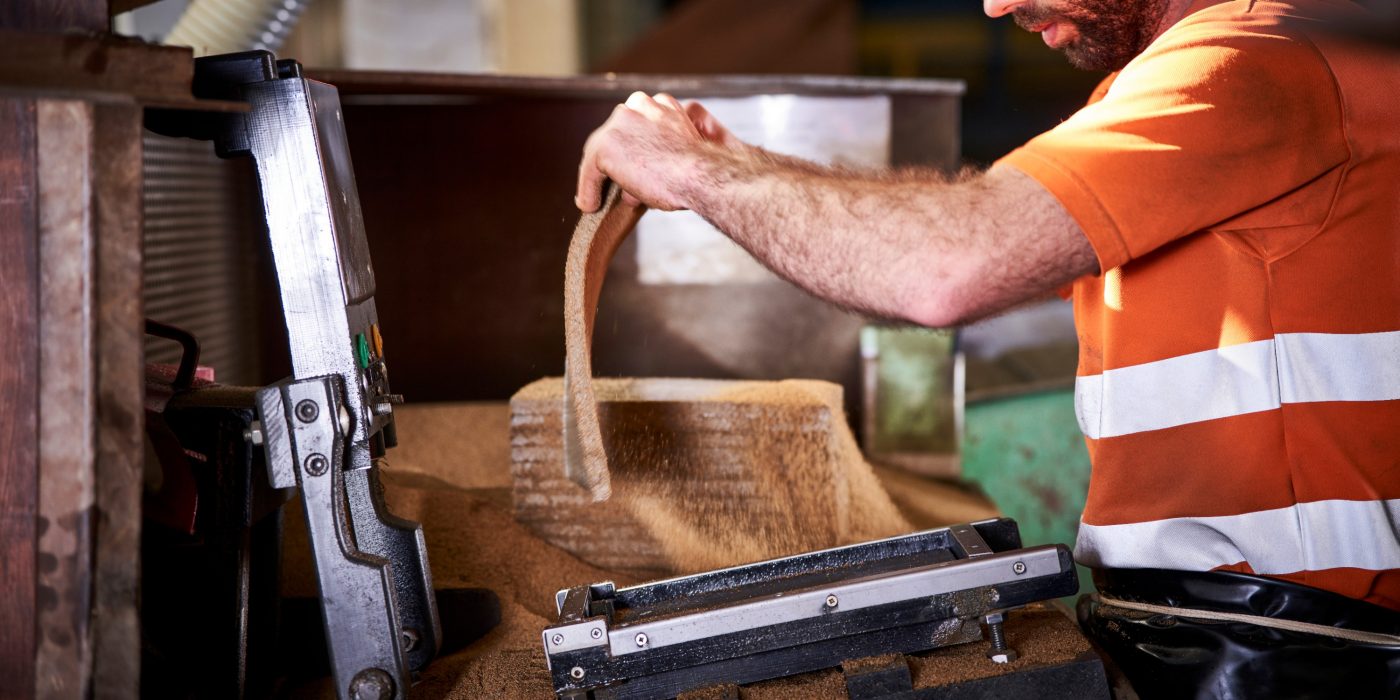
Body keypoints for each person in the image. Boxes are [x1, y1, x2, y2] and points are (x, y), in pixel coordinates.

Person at [575, 0, 1400, 696]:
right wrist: (729, 158)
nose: (997, 5)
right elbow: (966, 235)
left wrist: (696, 174)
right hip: (1209, 634)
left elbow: (942, 266)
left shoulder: (1248, 62)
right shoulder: (1196, 76)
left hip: (1304, 652)